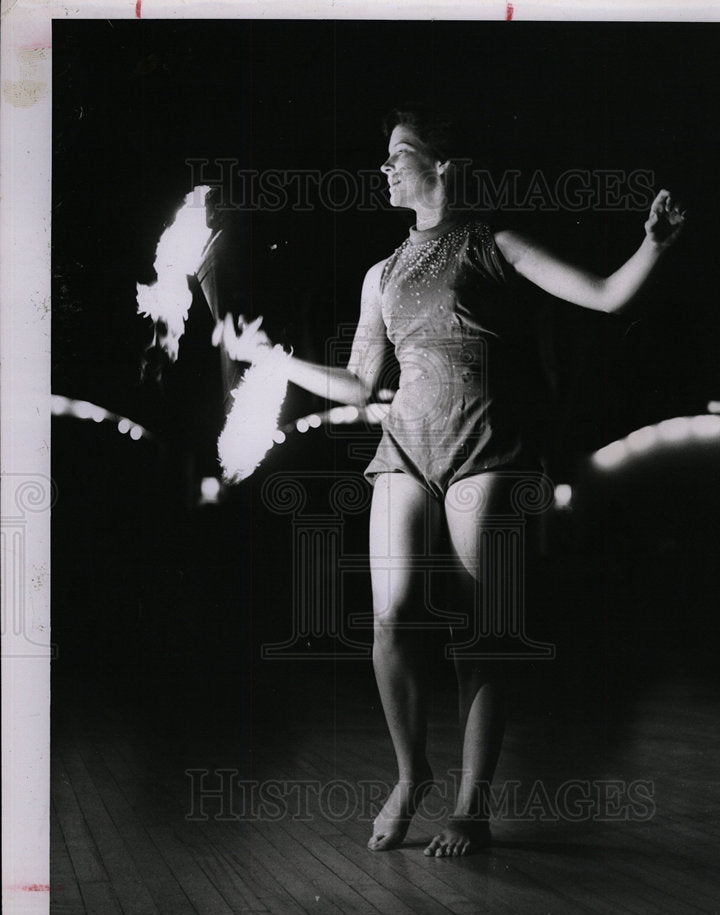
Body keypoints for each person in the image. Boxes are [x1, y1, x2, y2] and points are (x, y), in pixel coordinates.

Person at [214, 107, 685, 858]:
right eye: (386, 158)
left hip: (487, 450)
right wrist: (275, 361)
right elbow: (359, 383)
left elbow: (604, 296)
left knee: (482, 634)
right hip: (403, 446)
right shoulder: (382, 275)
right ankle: (411, 776)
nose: (386, 167)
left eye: (400, 154)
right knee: (392, 621)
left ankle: (471, 808)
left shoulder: (492, 244)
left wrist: (651, 246)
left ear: (444, 165)